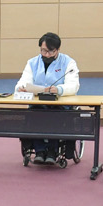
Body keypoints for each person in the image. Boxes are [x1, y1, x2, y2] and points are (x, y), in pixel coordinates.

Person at [14, 32, 81, 165]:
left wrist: (59, 89)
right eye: (43, 51)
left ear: (58, 49)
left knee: (54, 116)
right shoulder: (32, 63)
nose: (47, 55)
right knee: (35, 114)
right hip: (39, 104)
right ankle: (39, 151)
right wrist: (22, 88)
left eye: (50, 51)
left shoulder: (68, 63)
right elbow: (23, 82)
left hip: (59, 105)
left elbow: (74, 85)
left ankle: (52, 151)